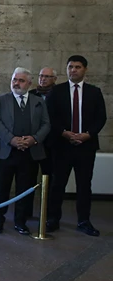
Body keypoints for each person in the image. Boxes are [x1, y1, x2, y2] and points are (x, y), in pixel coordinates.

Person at [46, 55, 107, 237]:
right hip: (61, 146)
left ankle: (84, 221)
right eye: (70, 66)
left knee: (84, 185)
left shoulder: (94, 92)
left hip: (85, 147)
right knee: (58, 185)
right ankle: (53, 219)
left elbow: (101, 118)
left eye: (77, 67)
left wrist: (87, 135)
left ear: (85, 69)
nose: (73, 70)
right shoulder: (56, 91)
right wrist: (64, 132)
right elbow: (49, 117)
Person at [0, 68, 50, 235]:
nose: (16, 83)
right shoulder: (2, 100)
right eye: (14, 79)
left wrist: (34, 139)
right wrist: (12, 140)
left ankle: (20, 222)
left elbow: (46, 124)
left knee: (25, 189)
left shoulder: (38, 101)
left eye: (21, 80)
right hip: (7, 151)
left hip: (30, 153)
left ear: (29, 83)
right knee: (2, 188)